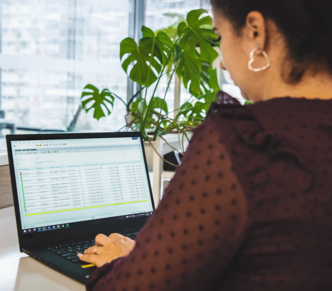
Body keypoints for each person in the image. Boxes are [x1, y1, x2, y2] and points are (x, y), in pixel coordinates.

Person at [79, 0, 332, 290]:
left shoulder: (243, 142)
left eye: (220, 37)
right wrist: (152, 257)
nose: (222, 61)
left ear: (255, 33)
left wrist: (119, 263)